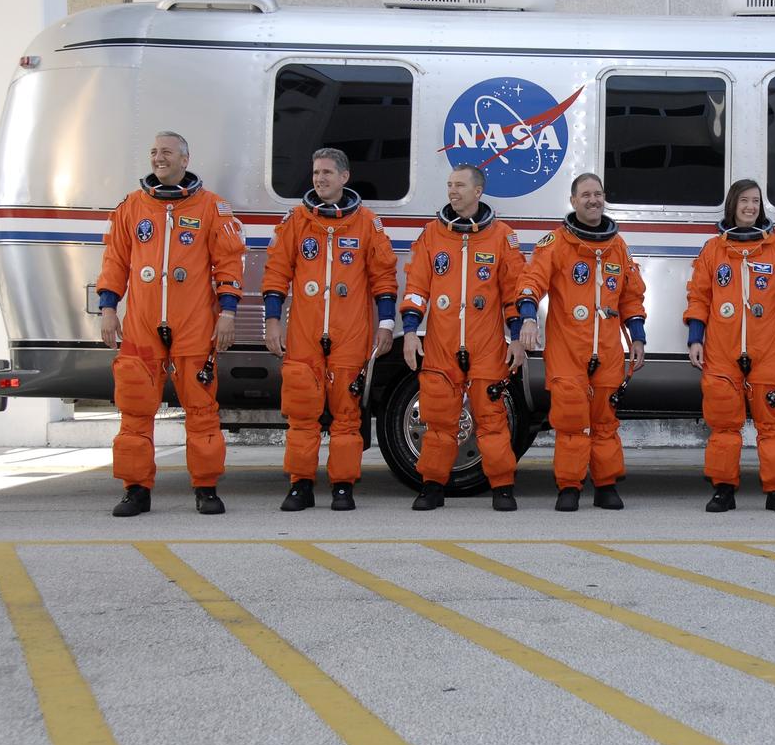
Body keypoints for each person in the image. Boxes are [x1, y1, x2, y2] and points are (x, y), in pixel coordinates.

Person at [97, 131, 245, 516]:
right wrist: (108, 308)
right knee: (134, 408)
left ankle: (206, 488)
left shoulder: (212, 208)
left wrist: (227, 313)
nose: (157, 158)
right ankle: (136, 489)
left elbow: (228, 265)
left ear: (184, 158)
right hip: (143, 326)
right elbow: (115, 262)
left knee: (201, 408)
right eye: (153, 152)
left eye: (166, 152)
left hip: (194, 323)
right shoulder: (132, 207)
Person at [683, 178, 775, 513]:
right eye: (745, 201)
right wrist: (696, 337)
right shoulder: (713, 249)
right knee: (723, 424)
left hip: (768, 351)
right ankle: (723, 489)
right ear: (733, 205)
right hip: (722, 351)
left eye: (756, 201)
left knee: (771, 425)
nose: (751, 207)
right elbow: (699, 296)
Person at [262, 148, 396, 511]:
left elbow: (383, 278)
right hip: (304, 333)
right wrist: (272, 320)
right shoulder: (297, 220)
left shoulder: (367, 223)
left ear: (344, 177)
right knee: (302, 412)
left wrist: (386, 326)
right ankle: (300, 485)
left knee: (347, 414)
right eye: (315, 172)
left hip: (350, 332)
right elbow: (276, 274)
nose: (319, 178)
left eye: (326, 172)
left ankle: (342, 485)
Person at [517, 173, 647, 511]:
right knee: (572, 421)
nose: (593, 200)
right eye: (586, 194)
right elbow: (531, 282)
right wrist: (528, 318)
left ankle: (605, 485)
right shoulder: (557, 243)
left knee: (604, 422)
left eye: (598, 194)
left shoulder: (618, 246)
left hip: (606, 349)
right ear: (573, 201)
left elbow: (631, 297)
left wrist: (638, 338)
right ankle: (569, 487)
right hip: (567, 350)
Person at [402, 165, 527, 511]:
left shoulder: (502, 236)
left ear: (478, 191)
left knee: (491, 417)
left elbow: (512, 295)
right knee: (439, 418)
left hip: (486, 344)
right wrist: (410, 332)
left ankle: (502, 486)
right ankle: (432, 485)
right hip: (441, 343)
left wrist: (516, 339)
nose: (452, 191)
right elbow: (416, 288)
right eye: (449, 185)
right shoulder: (432, 234)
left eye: (459, 185)